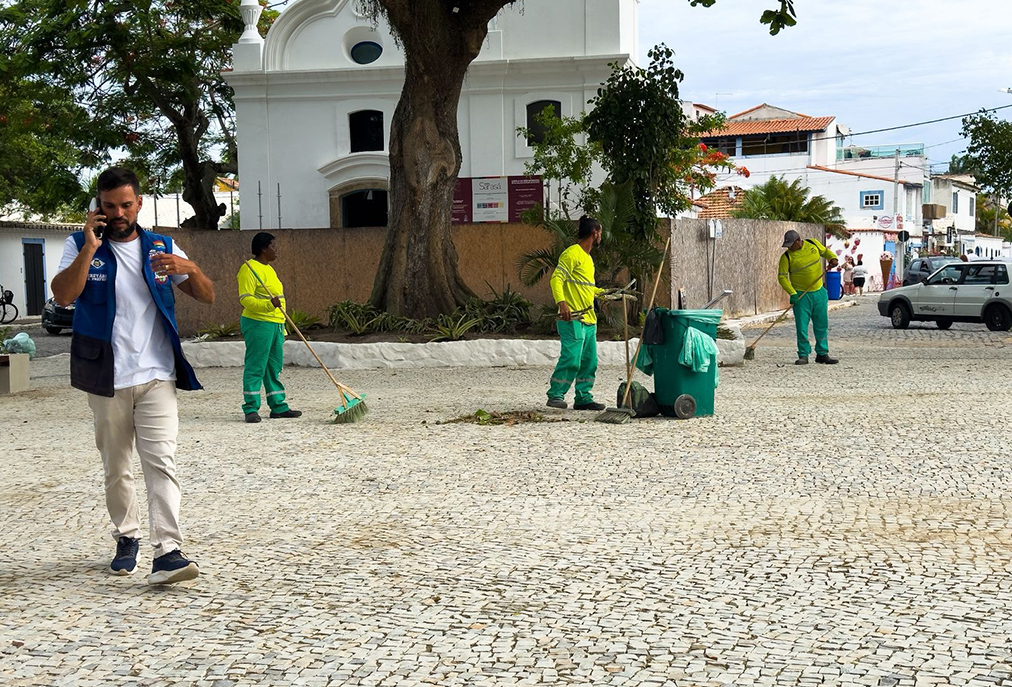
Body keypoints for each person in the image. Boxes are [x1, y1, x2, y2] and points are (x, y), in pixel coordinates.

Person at [51, 167, 215, 585]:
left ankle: (169, 552)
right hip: (106, 374)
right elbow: (64, 295)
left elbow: (208, 295)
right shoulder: (77, 245)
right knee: (117, 466)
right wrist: (90, 248)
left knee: (161, 461)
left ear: (139, 203)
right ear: (97, 207)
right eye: (109, 206)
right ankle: (127, 537)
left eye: (126, 204)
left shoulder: (161, 245)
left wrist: (189, 267)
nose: (119, 212)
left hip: (157, 372)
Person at [237, 232, 301, 423]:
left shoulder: (269, 269)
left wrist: (281, 325)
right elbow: (245, 299)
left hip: (275, 323)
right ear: (264, 248)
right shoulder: (249, 269)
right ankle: (251, 408)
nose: (277, 250)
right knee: (256, 365)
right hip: (258, 324)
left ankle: (278, 406)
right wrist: (268, 305)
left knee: (273, 366)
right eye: (274, 246)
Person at [546, 216, 605, 410]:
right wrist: (562, 304)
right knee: (571, 359)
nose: (600, 237)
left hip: (588, 320)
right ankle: (555, 394)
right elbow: (556, 279)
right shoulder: (571, 254)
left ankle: (583, 397)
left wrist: (604, 293)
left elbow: (587, 287)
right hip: (572, 318)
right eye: (600, 233)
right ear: (594, 233)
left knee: (589, 361)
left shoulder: (588, 259)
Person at [777, 229, 839, 365]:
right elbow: (782, 277)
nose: (789, 248)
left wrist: (833, 258)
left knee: (821, 324)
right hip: (800, 295)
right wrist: (792, 293)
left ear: (798, 241)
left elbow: (825, 252)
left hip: (819, 292)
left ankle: (822, 353)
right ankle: (803, 354)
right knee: (802, 326)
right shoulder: (786, 257)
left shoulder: (813, 244)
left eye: (791, 245)